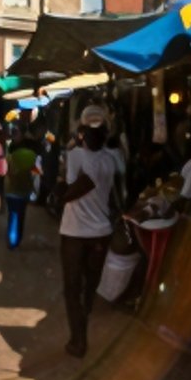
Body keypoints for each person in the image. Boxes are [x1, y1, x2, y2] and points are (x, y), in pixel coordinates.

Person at [57, 103, 124, 358]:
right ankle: (81, 327)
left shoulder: (75, 156)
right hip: (101, 232)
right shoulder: (112, 158)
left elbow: (71, 190)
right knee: (88, 287)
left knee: (73, 288)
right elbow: (118, 185)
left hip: (75, 233)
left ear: (82, 131)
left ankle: (78, 340)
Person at [4, 124, 38, 248]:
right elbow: (34, 174)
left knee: (12, 214)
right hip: (23, 190)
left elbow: (6, 171)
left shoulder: (9, 154)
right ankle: (16, 240)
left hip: (11, 189)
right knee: (20, 215)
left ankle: (12, 240)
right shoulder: (31, 156)